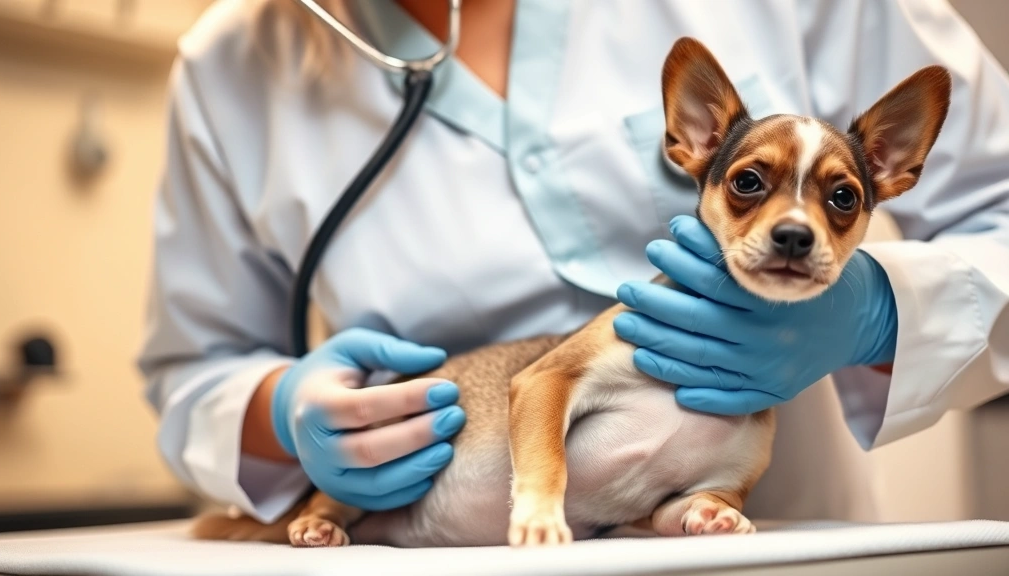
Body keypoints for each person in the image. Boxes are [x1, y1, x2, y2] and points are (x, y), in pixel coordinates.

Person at [139, 0, 1009, 527]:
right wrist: (285, 412)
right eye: (748, 183)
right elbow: (194, 371)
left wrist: (882, 312)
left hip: (754, 539)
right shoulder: (231, 67)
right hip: (446, 542)